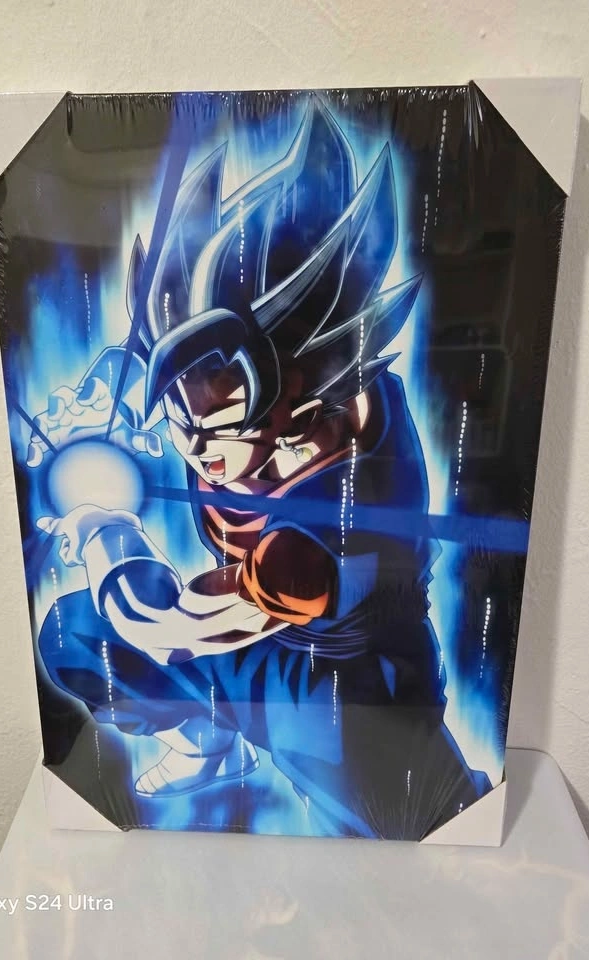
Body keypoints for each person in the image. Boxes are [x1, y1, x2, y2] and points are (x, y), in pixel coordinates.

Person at [30, 98, 489, 838]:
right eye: (179, 419)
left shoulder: (340, 508)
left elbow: (173, 625)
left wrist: (103, 535)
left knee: (405, 837)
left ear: (303, 392)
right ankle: (209, 744)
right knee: (71, 635)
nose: (197, 450)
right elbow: (167, 374)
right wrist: (103, 395)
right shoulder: (250, 403)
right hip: (261, 660)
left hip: (344, 700)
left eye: (217, 426)